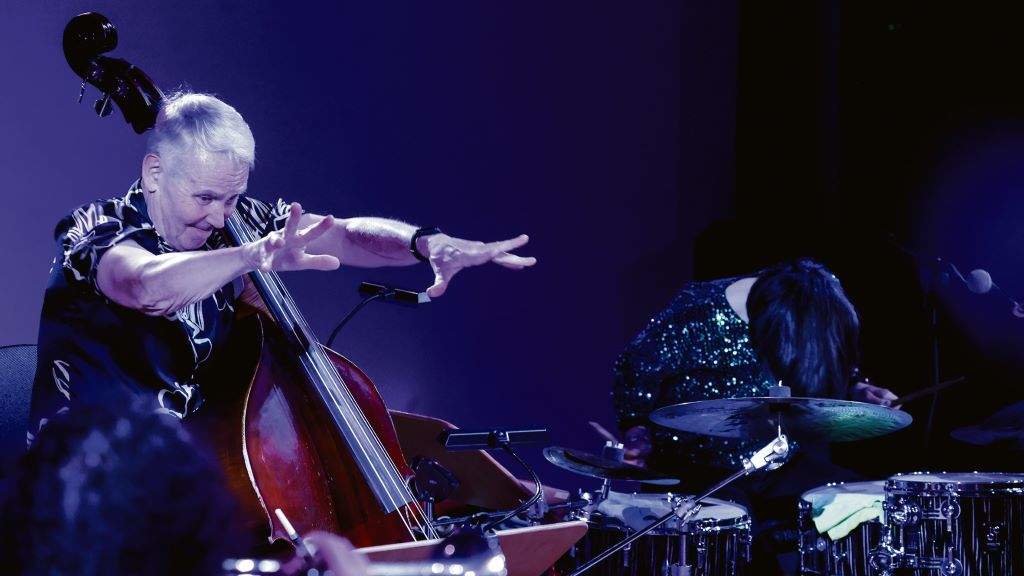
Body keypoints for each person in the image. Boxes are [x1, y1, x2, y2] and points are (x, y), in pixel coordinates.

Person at [28, 91, 536, 443]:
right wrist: (251, 256)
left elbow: (342, 232)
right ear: (155, 172)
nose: (219, 216)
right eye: (204, 197)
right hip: (83, 479)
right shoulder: (97, 227)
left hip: (178, 474)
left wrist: (425, 243)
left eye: (232, 198)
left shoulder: (237, 220)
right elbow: (145, 286)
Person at [612, 258, 898, 573]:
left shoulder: (820, 302)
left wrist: (855, 388)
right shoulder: (694, 313)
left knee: (864, 500)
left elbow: (831, 360)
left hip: (780, 460)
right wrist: (637, 432)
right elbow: (635, 372)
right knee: (735, 527)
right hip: (700, 466)